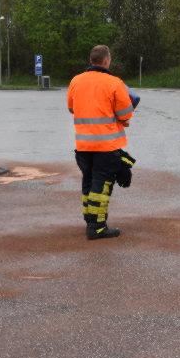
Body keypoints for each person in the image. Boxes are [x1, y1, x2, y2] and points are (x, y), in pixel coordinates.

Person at [68, 45, 134, 239]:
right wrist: (123, 119)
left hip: (83, 146)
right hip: (106, 146)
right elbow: (125, 113)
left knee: (88, 183)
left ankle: (90, 220)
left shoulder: (76, 81)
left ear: (91, 60)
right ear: (106, 61)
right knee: (101, 187)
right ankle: (97, 227)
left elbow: (71, 107)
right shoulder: (114, 83)